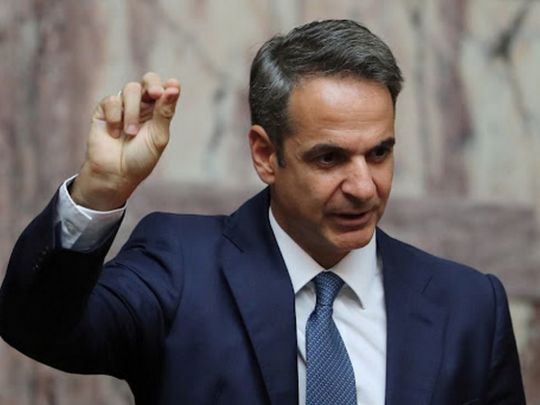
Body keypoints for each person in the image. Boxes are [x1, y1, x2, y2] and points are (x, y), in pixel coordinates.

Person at [0, 19, 525, 405]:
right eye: (329, 158)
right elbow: (37, 328)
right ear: (265, 155)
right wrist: (99, 190)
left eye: (379, 153)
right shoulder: (180, 267)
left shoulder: (471, 305)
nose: (364, 187)